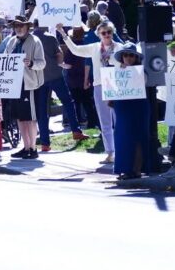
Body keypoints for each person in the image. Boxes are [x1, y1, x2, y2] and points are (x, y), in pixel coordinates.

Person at [56, 20, 120, 163]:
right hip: (99, 86)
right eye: (103, 33)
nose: (107, 35)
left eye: (109, 32)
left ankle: (121, 152)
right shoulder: (95, 47)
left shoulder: (119, 47)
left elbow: (128, 62)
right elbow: (75, 50)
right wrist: (62, 33)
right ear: (99, 34)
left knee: (119, 121)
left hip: (116, 87)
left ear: (113, 32)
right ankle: (110, 153)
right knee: (105, 122)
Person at [34, 20, 84, 147]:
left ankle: (45, 143)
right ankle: (76, 131)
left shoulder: (31, 39)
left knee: (42, 110)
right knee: (68, 102)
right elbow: (59, 55)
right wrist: (59, 64)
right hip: (55, 75)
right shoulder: (50, 38)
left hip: (39, 78)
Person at [3, 16, 46, 159]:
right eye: (16, 26)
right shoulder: (11, 41)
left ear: (27, 27)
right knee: (19, 118)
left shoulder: (35, 41)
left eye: (21, 25)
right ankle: (26, 146)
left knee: (30, 118)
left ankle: (33, 148)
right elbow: (4, 59)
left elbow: (42, 63)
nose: (19, 28)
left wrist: (31, 63)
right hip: (15, 84)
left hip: (30, 84)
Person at [110, 43, 152, 180]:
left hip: (138, 107)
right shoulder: (116, 72)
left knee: (138, 138)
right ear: (122, 57)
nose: (128, 58)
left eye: (131, 55)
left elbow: (142, 82)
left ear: (136, 58)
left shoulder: (141, 71)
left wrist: (129, 70)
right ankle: (124, 169)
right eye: (126, 55)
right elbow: (112, 87)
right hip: (122, 108)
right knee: (122, 137)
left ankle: (137, 170)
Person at [62, 26, 96, 129]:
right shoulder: (87, 46)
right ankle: (92, 123)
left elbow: (68, 65)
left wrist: (60, 64)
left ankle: (78, 123)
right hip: (86, 77)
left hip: (74, 79)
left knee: (75, 102)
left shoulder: (72, 48)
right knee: (88, 102)